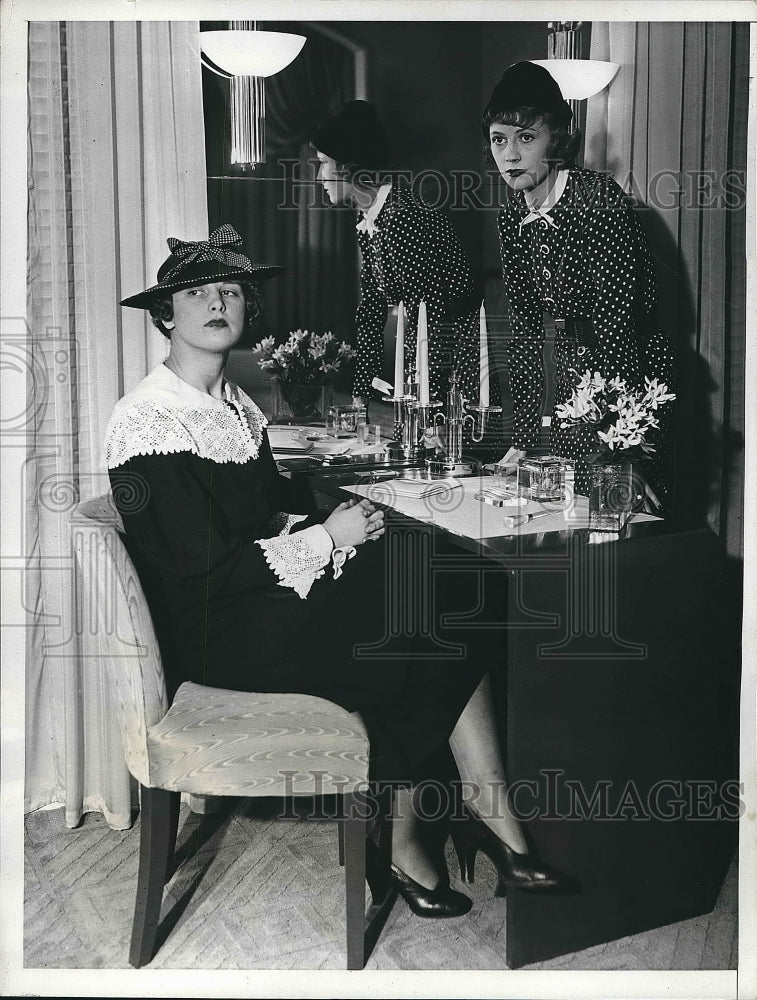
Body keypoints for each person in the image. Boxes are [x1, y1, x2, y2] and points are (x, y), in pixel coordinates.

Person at [105, 224, 564, 920]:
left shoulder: (232, 406)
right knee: (436, 604)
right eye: (196, 293)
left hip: (258, 602)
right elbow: (201, 570)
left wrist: (339, 525)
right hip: (220, 635)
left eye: (230, 290)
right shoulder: (147, 420)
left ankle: (464, 809)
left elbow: (252, 518)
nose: (218, 303)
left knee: (454, 582)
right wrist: (326, 536)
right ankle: (434, 828)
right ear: (165, 315)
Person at [484, 61, 675, 506]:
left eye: (526, 138)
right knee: (565, 506)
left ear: (558, 138)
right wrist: (525, 437)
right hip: (575, 375)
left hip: (633, 373)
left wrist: (611, 435)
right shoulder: (512, 215)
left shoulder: (596, 198)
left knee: (621, 510)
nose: (510, 155)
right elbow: (527, 331)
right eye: (499, 140)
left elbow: (618, 322)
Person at [311, 99, 503, 458]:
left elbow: (426, 319)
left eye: (323, 164)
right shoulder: (370, 220)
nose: (319, 177)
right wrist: (361, 394)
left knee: (436, 462)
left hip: (454, 369)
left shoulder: (404, 217)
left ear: (350, 166)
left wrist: (426, 407)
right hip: (425, 372)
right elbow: (370, 310)